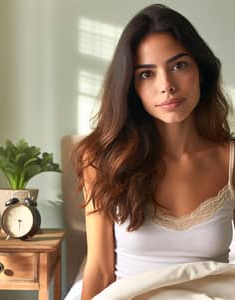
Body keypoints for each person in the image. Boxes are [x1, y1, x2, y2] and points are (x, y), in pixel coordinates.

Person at [72, 3, 234, 300]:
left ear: (202, 70)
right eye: (147, 74)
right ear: (131, 87)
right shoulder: (100, 160)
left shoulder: (230, 160)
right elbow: (100, 269)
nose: (167, 86)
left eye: (179, 65)